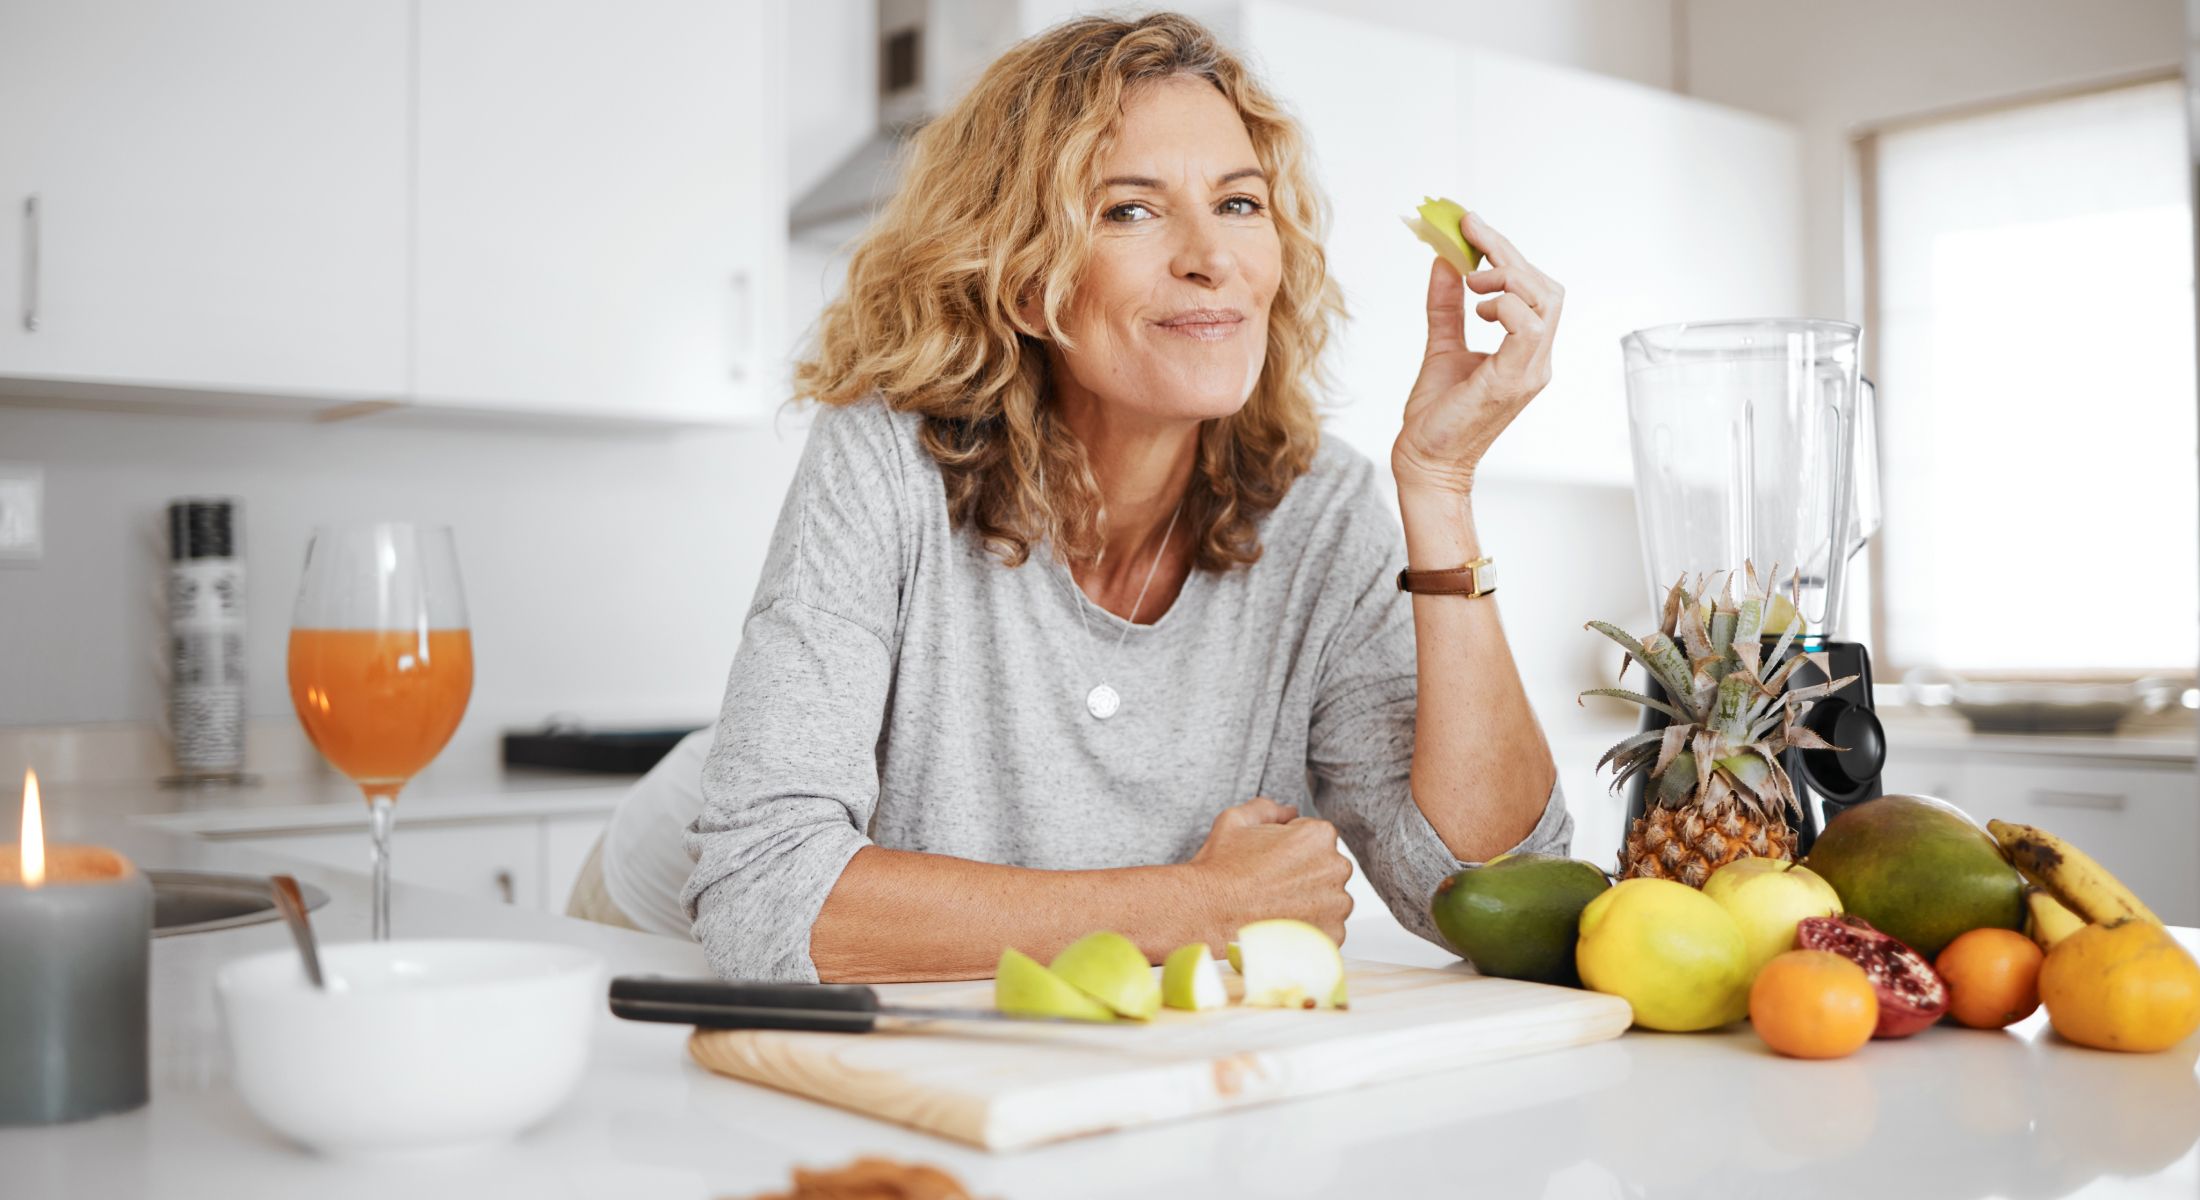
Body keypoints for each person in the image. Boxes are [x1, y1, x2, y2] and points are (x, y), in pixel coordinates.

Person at [679, 13, 1570, 983]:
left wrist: (1438, 490)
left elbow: (1501, 896)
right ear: (1024, 281)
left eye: (1238, 203)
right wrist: (1198, 907)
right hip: (655, 928)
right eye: (1130, 211)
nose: (1211, 257)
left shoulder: (1321, 514)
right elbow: (760, 891)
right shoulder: (886, 461)